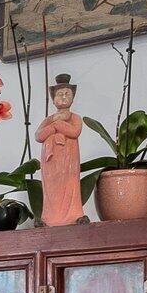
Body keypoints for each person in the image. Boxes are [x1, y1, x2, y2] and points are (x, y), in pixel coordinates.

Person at [36, 75, 85, 223]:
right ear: (53, 99)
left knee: (70, 186)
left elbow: (74, 132)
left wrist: (58, 125)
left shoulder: (75, 117)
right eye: (59, 94)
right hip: (50, 162)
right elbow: (39, 135)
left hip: (69, 160)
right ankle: (50, 218)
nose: (63, 97)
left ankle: (74, 216)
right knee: (51, 189)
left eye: (67, 94)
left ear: (72, 98)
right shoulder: (49, 119)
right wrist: (54, 125)